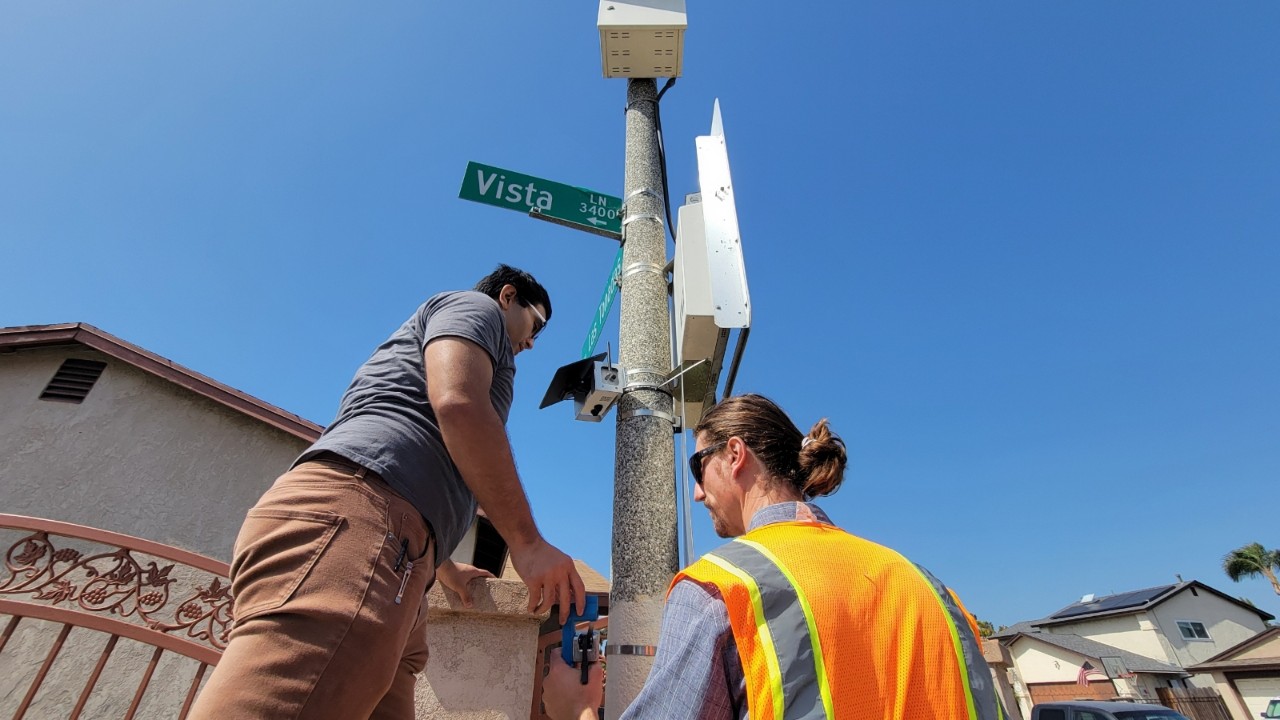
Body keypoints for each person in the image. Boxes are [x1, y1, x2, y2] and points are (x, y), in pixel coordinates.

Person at [191, 264, 586, 720]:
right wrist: (528, 544)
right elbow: (458, 403)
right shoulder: (476, 308)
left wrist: (443, 566)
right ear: (508, 296)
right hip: (364, 527)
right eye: (536, 323)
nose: (533, 341)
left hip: (389, 548)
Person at [543, 393, 1006, 720]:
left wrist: (578, 711)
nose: (698, 494)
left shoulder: (721, 588)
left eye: (698, 467)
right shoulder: (931, 589)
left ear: (735, 455)